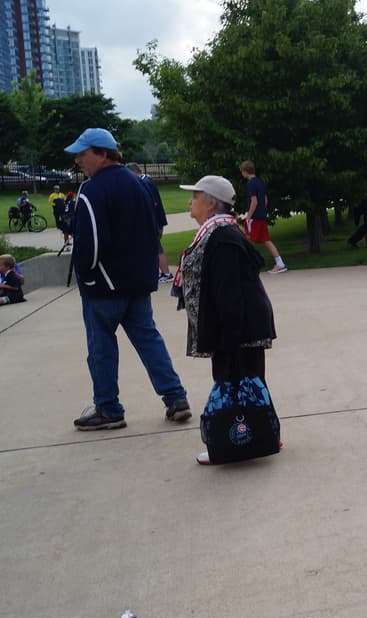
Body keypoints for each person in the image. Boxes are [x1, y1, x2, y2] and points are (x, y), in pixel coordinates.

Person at [65, 127, 191, 430]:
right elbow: (154, 230)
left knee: (101, 349)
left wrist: (84, 273)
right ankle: (175, 398)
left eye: (83, 154)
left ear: (102, 154)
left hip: (104, 287)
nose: (78, 160)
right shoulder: (138, 184)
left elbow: (89, 242)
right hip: (138, 282)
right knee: (149, 340)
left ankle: (108, 408)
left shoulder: (93, 190)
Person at [174, 176, 277, 464]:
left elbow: (229, 293)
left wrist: (228, 340)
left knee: (235, 383)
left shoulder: (221, 238)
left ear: (210, 202)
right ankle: (263, 433)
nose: (190, 203)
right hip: (241, 326)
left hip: (239, 329)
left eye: (195, 197)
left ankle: (234, 442)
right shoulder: (220, 233)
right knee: (251, 382)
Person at [127, 162, 173, 283]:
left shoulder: (144, 183)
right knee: (153, 247)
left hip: (153, 221)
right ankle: (159, 272)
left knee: (156, 247)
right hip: (156, 220)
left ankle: (166, 273)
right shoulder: (147, 180)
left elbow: (152, 204)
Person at [239, 161, 287, 274]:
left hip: (255, 217)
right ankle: (280, 263)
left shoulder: (250, 183)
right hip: (261, 216)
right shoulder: (260, 182)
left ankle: (248, 265)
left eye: (242, 172)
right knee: (266, 240)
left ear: (245, 171)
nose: (242, 174)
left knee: (248, 240)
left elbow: (254, 202)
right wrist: (262, 212)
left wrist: (249, 217)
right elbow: (265, 200)